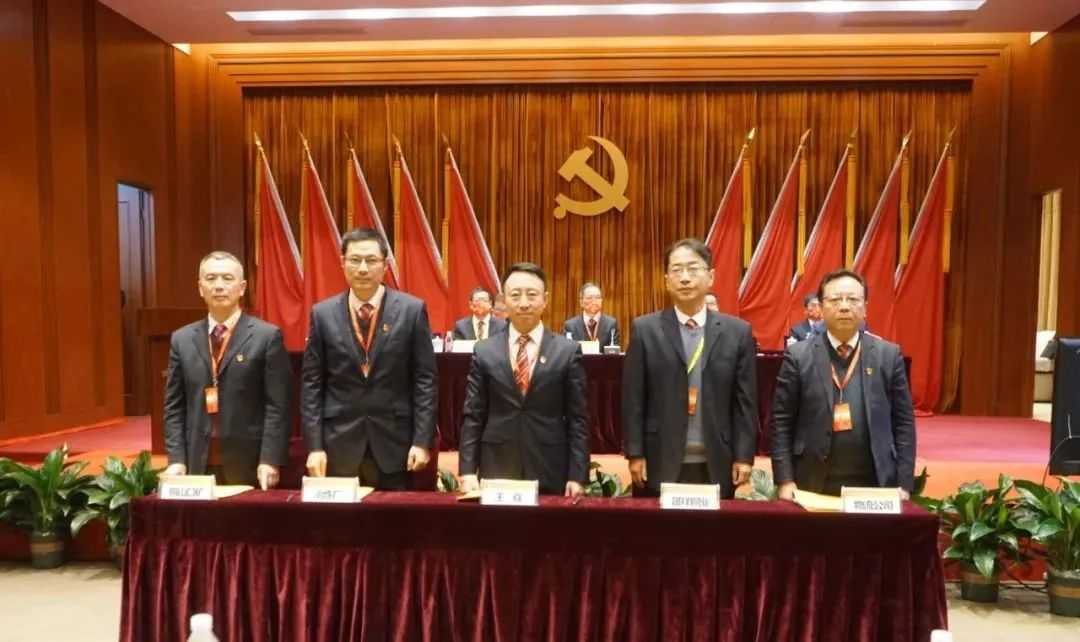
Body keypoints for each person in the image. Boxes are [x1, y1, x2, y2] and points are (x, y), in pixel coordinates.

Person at [301, 227, 437, 489]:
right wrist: (315, 446)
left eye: (371, 260)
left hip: (395, 442)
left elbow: (425, 381)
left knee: (391, 515)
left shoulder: (411, 310)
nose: (363, 268)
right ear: (343, 263)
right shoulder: (322, 314)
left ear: (385, 265)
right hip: (338, 442)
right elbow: (312, 385)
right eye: (355, 260)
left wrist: (422, 441)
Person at [623, 238, 758, 498]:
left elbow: (745, 402)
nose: (684, 278)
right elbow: (633, 399)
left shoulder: (737, 332)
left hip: (718, 458)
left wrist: (744, 456)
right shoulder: (645, 329)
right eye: (676, 270)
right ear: (666, 280)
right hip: (658, 456)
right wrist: (635, 453)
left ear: (711, 277)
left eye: (693, 269)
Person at [771, 269, 916, 499]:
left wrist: (904, 483)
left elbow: (904, 422)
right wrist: (785, 479)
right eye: (835, 300)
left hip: (876, 481)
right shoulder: (798, 356)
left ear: (865, 308)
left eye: (853, 299)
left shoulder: (888, 355)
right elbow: (781, 421)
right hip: (811, 479)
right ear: (821, 307)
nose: (845, 307)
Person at [458, 263, 590, 496]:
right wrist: (467, 470)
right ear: (503, 300)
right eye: (515, 295)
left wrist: (578, 475)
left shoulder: (567, 351)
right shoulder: (484, 350)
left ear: (545, 300)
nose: (524, 303)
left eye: (532, 294)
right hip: (497, 464)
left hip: (550, 464)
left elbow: (578, 418)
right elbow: (474, 414)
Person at [163, 251, 291, 488]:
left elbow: (278, 406)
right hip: (196, 460)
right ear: (200, 288)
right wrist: (177, 459)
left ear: (242, 288)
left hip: (249, 462)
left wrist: (270, 459)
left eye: (227, 278)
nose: (219, 286)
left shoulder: (266, 337)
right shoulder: (182, 339)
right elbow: (174, 406)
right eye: (211, 279)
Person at [563, 282, 622, 349]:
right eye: (589, 298)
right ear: (581, 302)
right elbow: (567, 351)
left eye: (597, 297)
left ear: (601, 300)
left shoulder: (611, 324)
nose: (594, 301)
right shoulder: (570, 326)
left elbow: (614, 351)